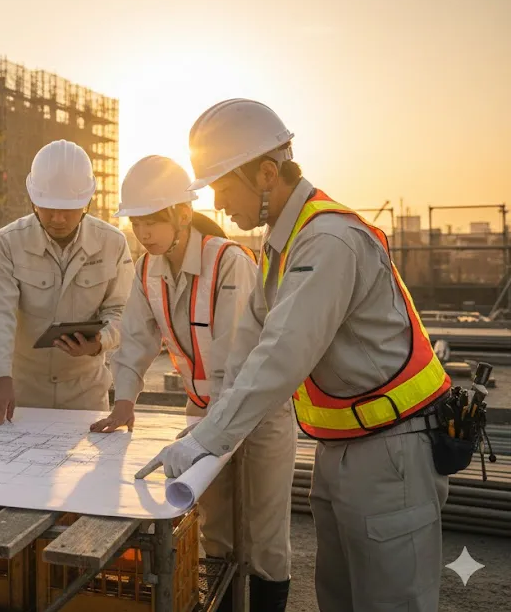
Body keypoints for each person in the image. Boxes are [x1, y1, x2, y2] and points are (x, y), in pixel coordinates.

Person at [144, 99, 451, 612]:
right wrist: (208, 428)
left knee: (389, 602)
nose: (217, 204)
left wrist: (210, 437)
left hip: (390, 451)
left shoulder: (327, 241)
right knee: (341, 598)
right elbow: (249, 345)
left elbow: (283, 354)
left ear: (266, 174)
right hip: (345, 446)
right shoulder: (282, 245)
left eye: (223, 186)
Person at [91, 154, 296, 611]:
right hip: (202, 413)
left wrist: (212, 428)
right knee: (216, 532)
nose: (143, 233)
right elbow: (135, 341)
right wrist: (124, 402)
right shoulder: (147, 270)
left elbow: (236, 358)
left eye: (152, 221)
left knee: (264, 538)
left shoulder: (229, 263)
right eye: (137, 223)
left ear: (183, 214)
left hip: (258, 417)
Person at [0, 139, 133, 420]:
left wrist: (99, 341)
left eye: (69, 209)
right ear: (33, 201)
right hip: (24, 393)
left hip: (86, 395)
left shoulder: (112, 243)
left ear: (87, 202)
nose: (58, 218)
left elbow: (122, 310)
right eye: (48, 208)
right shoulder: (8, 243)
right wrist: (0, 378)